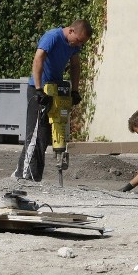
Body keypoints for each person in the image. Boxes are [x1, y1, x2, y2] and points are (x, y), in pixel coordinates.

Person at [14, 19, 93, 181]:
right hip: (40, 90)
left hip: (55, 89)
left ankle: (29, 175)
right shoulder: (52, 37)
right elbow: (38, 60)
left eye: (82, 43)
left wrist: (75, 90)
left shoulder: (74, 45)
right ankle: (24, 176)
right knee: (36, 134)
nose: (78, 45)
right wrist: (38, 89)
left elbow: (76, 65)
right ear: (71, 31)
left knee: (45, 137)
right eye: (78, 40)